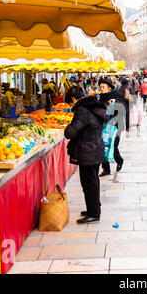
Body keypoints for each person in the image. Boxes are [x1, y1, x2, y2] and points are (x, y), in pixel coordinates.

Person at [64, 86, 107, 224]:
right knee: (92, 182)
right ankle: (93, 208)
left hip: (88, 150)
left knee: (89, 183)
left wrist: (68, 126)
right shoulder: (92, 106)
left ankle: (94, 213)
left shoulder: (82, 110)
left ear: (73, 99)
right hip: (94, 148)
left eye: (70, 103)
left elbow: (70, 133)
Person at [98, 78, 125, 177]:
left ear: (109, 88)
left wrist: (116, 102)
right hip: (104, 125)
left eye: (103, 87)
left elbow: (124, 107)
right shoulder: (101, 97)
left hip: (116, 125)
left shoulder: (116, 94)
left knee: (113, 145)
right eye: (100, 87)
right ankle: (106, 169)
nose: (101, 89)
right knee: (103, 146)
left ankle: (119, 160)